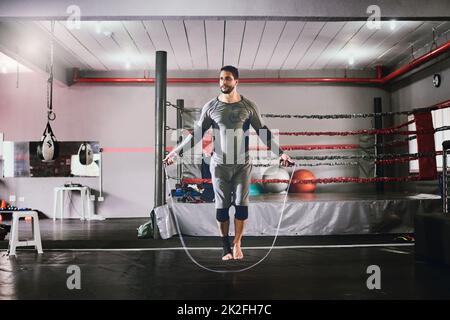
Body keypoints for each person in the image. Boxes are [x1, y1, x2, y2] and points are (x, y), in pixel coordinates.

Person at [164, 65, 294, 261]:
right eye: (221, 79)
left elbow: (263, 132)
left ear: (236, 81)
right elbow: (196, 135)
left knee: (242, 206)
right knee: (222, 207)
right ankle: (225, 246)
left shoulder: (248, 106)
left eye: (227, 79)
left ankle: (237, 243)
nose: (223, 82)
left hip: (242, 164)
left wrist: (281, 154)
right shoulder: (211, 107)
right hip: (219, 165)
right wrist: (175, 152)